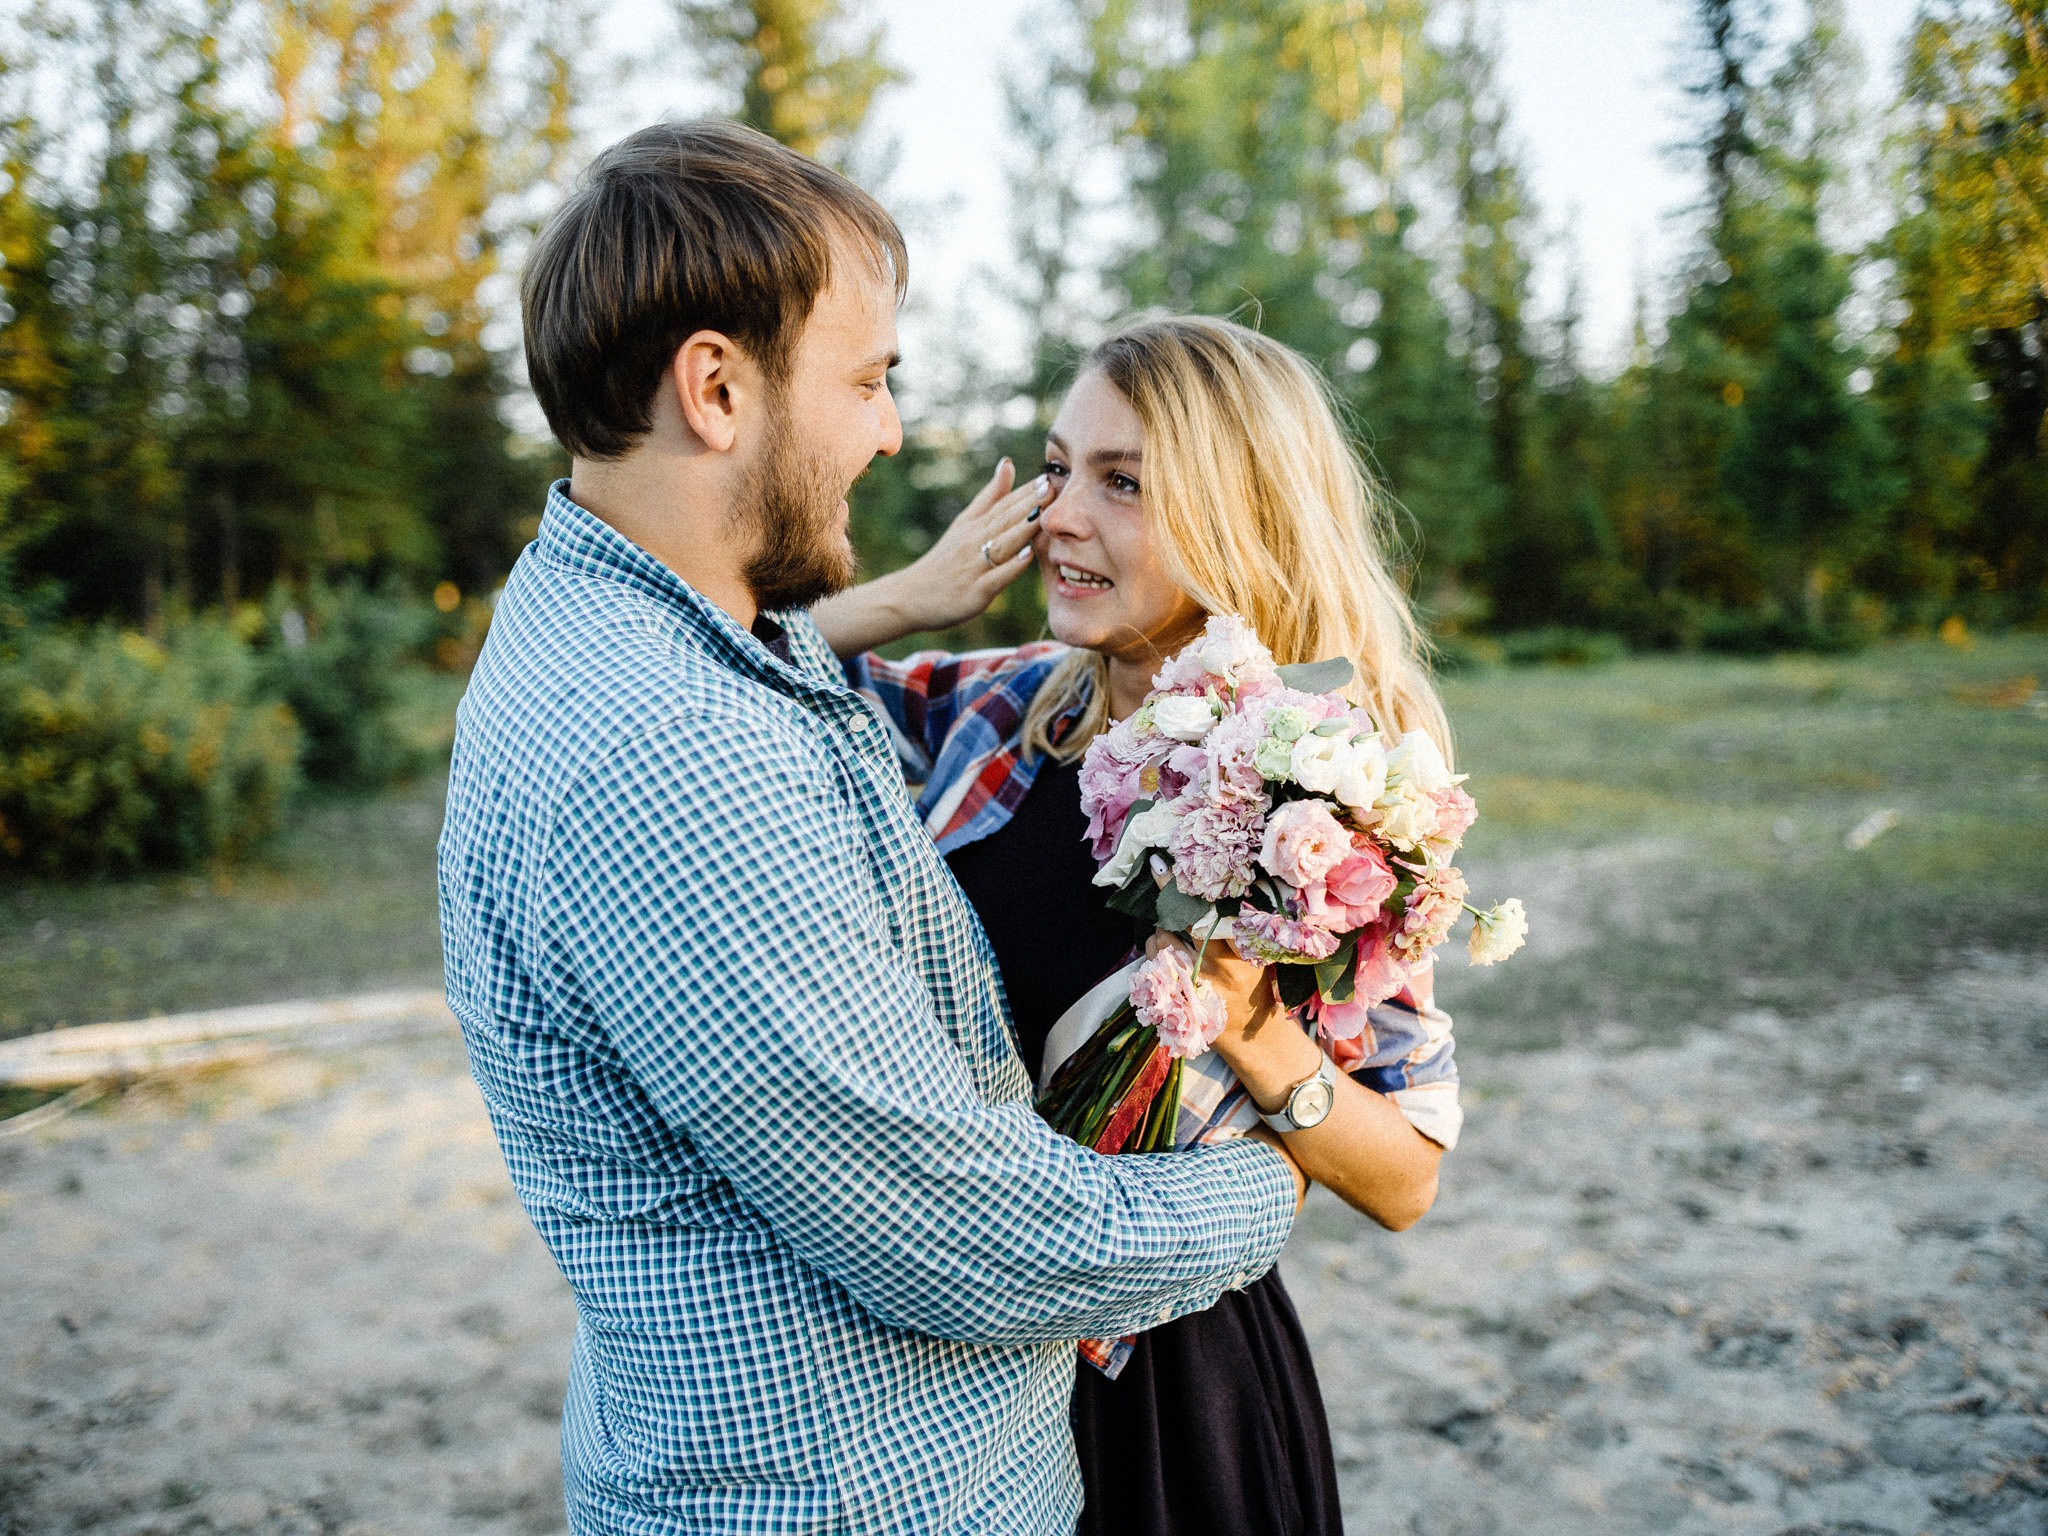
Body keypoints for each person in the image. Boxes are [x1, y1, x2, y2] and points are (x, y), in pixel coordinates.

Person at [437, 124, 1309, 1535]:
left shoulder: (621, 633)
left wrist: (894, 601)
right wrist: (1267, 1191)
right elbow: (961, 1234)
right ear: (716, 388)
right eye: (865, 380)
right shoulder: (673, 752)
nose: (889, 429)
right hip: (854, 1501)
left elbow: (786, 662)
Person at [816, 314, 1461, 1536]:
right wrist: (908, 598)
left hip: (1167, 1401)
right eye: (1057, 469)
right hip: (939, 1387)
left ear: (1240, 517)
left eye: (1122, 483)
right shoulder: (1003, 707)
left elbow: (1407, 1178)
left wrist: (1257, 1035)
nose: (1057, 516)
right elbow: (756, 672)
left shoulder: (1322, 802)